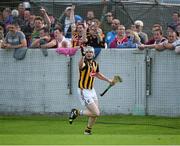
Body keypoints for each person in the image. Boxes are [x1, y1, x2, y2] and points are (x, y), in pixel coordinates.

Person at [69, 46, 114, 135]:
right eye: (87, 52)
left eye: (91, 52)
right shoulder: (84, 63)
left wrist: (108, 80)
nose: (89, 53)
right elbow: (80, 65)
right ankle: (77, 112)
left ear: (93, 54)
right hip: (83, 90)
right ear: (85, 54)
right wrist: (82, 56)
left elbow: (97, 74)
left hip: (91, 90)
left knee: (95, 113)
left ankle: (88, 130)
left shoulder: (95, 63)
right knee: (96, 113)